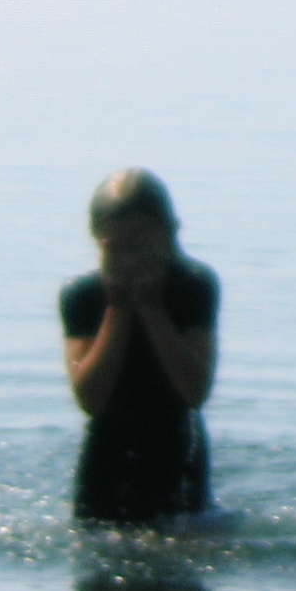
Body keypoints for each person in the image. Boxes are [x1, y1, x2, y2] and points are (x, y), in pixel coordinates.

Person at [60, 169, 218, 526]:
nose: (131, 256)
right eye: (118, 246)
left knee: (185, 547)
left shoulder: (194, 286)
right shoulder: (83, 296)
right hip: (106, 453)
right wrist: (118, 309)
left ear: (170, 232)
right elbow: (89, 399)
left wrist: (151, 308)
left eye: (143, 243)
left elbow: (194, 392)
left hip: (177, 449)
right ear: (98, 238)